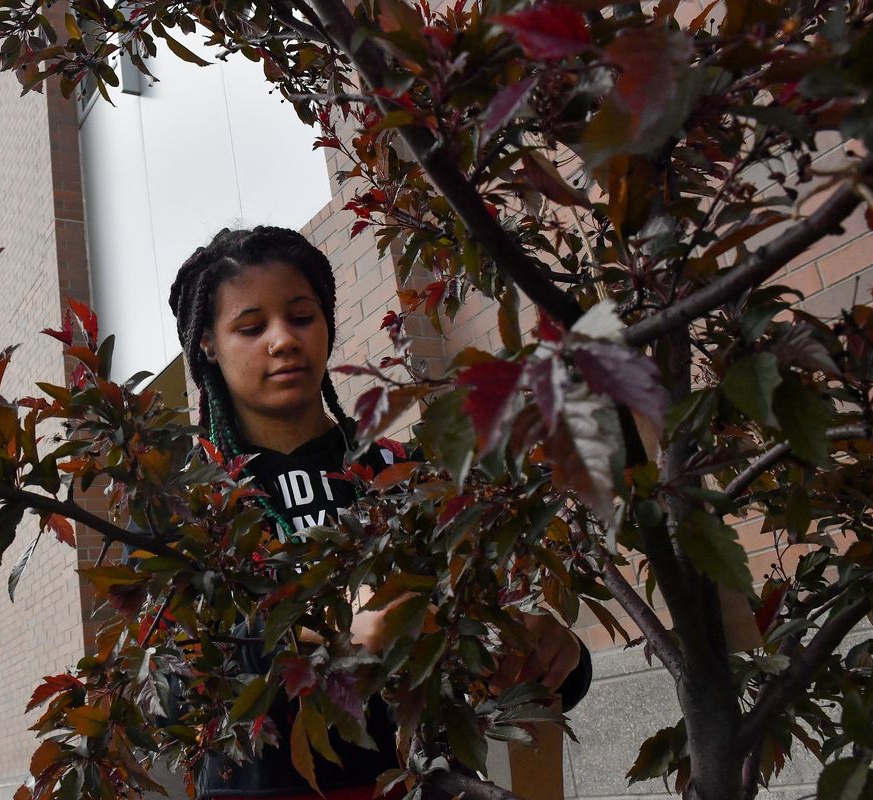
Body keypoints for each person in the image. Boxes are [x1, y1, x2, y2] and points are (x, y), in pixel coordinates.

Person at [168, 226, 591, 800]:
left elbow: (487, 629)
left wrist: (551, 654)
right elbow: (168, 692)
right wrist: (320, 633)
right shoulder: (185, 504)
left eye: (301, 317)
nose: (283, 340)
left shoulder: (403, 474)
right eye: (250, 326)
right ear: (207, 344)